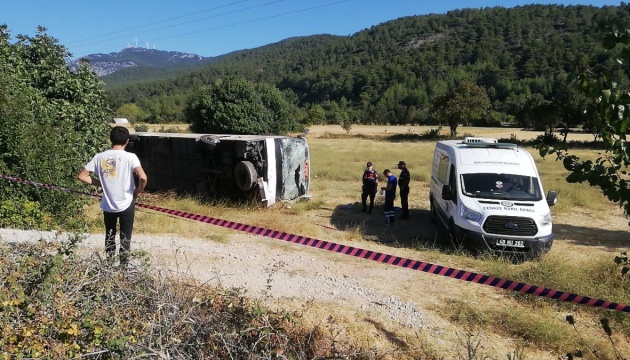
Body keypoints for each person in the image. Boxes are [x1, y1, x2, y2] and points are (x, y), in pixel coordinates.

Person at [78, 126, 148, 266]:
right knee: (125, 238)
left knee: (109, 236)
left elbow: (82, 176)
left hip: (108, 205)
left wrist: (101, 184)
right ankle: (123, 269)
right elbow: (143, 177)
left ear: (110, 139)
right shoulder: (130, 157)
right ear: (127, 141)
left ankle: (108, 267)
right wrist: (138, 191)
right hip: (127, 204)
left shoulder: (99, 157)